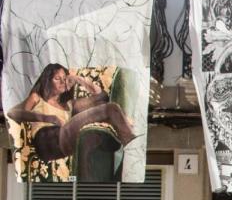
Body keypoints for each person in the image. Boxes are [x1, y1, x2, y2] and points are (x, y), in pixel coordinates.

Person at [6, 63, 138, 163]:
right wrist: (46, 117)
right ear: (47, 80)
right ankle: (132, 151)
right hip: (47, 140)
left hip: (63, 142)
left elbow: (101, 97)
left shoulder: (69, 105)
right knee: (111, 109)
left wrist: (78, 79)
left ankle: (125, 149)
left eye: (64, 78)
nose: (63, 82)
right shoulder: (36, 98)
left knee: (105, 118)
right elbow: (12, 113)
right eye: (58, 78)